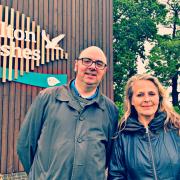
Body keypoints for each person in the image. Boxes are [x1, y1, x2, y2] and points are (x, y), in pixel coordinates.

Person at [17, 46, 119, 180]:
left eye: (99, 64)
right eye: (86, 61)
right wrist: (40, 175)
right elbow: (25, 145)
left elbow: (108, 154)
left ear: (104, 71)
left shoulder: (110, 110)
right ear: (76, 65)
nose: (93, 67)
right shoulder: (47, 97)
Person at [108, 74, 180, 180]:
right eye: (140, 95)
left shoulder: (176, 128)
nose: (147, 99)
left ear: (159, 98)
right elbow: (116, 176)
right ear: (131, 100)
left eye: (151, 94)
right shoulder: (122, 135)